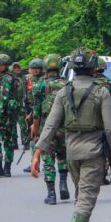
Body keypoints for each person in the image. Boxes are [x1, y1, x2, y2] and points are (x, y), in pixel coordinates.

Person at [31, 47, 111, 222]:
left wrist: (38, 152)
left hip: (72, 151)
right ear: (93, 67)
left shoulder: (64, 92)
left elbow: (50, 124)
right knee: (87, 198)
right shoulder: (102, 92)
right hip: (94, 151)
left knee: (81, 194)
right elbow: (110, 128)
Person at [31, 54, 70, 205]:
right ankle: (63, 184)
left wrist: (35, 127)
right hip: (65, 127)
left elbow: (37, 110)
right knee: (63, 156)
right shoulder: (68, 84)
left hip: (46, 127)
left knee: (48, 159)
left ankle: (52, 195)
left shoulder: (41, 85)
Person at [0, 54, 19, 178]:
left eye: (2, 65)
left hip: (3, 115)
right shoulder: (6, 78)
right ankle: (6, 169)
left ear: (6, 65)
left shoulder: (6, 79)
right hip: (9, 114)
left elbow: (4, 99)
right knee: (8, 141)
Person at [92, 59, 111, 185]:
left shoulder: (89, 84)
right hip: (108, 119)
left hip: (94, 121)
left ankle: (100, 175)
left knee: (96, 147)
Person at [23, 59, 45, 173]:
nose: (35, 70)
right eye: (33, 68)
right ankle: (34, 162)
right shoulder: (28, 79)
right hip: (31, 111)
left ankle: (36, 163)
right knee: (33, 137)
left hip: (41, 112)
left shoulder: (44, 80)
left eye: (37, 68)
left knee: (40, 137)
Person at [11, 62, 29, 157]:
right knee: (12, 124)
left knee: (23, 124)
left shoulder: (24, 78)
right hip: (13, 104)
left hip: (21, 104)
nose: (17, 69)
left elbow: (28, 91)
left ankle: (25, 142)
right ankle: (14, 142)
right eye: (15, 68)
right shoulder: (10, 78)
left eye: (18, 68)